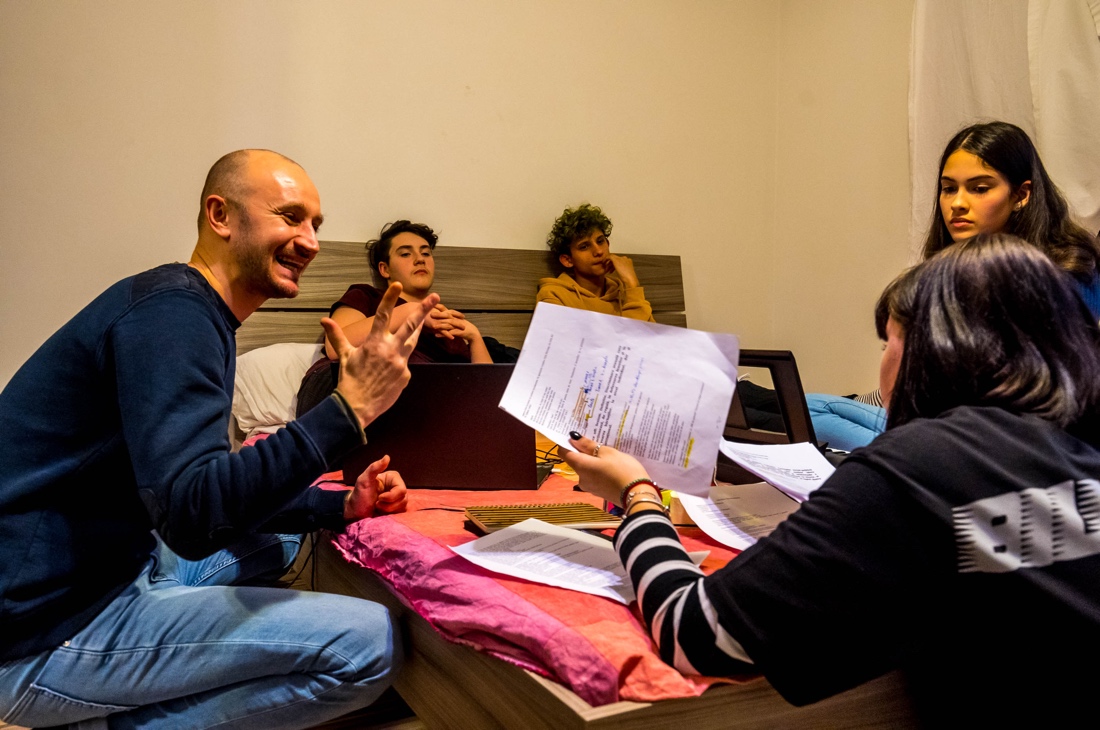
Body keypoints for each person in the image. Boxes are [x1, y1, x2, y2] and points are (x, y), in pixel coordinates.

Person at [563, 234, 1100, 724]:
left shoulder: (915, 469)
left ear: (931, 352)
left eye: (888, 343)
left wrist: (636, 494)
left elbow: (692, 633)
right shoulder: (1073, 449)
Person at [0, 149, 438, 729]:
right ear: (220, 215)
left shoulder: (191, 310)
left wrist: (339, 505)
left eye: (316, 225)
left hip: (115, 566)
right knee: (368, 644)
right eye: (289, 215)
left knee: (281, 539)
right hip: (37, 628)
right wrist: (347, 409)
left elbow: (194, 482)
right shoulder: (174, 315)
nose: (308, 240)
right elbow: (191, 514)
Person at [808, 120, 1100, 451]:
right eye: (949, 188)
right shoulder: (951, 271)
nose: (958, 203)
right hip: (938, 421)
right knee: (807, 406)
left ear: (1021, 195)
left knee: (808, 418)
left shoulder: (1065, 273)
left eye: (979, 188)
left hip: (1010, 444)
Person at [296, 219, 509, 417]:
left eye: (426, 254)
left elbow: (486, 396)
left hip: (431, 407)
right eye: (406, 254)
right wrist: (410, 312)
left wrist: (474, 337)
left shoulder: (447, 323)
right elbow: (336, 346)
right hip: (350, 388)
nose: (419, 260)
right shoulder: (366, 296)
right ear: (385, 269)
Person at [537, 203, 655, 321]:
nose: (598, 251)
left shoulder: (626, 294)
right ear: (568, 260)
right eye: (584, 247)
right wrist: (632, 285)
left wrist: (632, 286)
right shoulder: (554, 295)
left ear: (607, 244)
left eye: (600, 241)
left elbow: (647, 338)